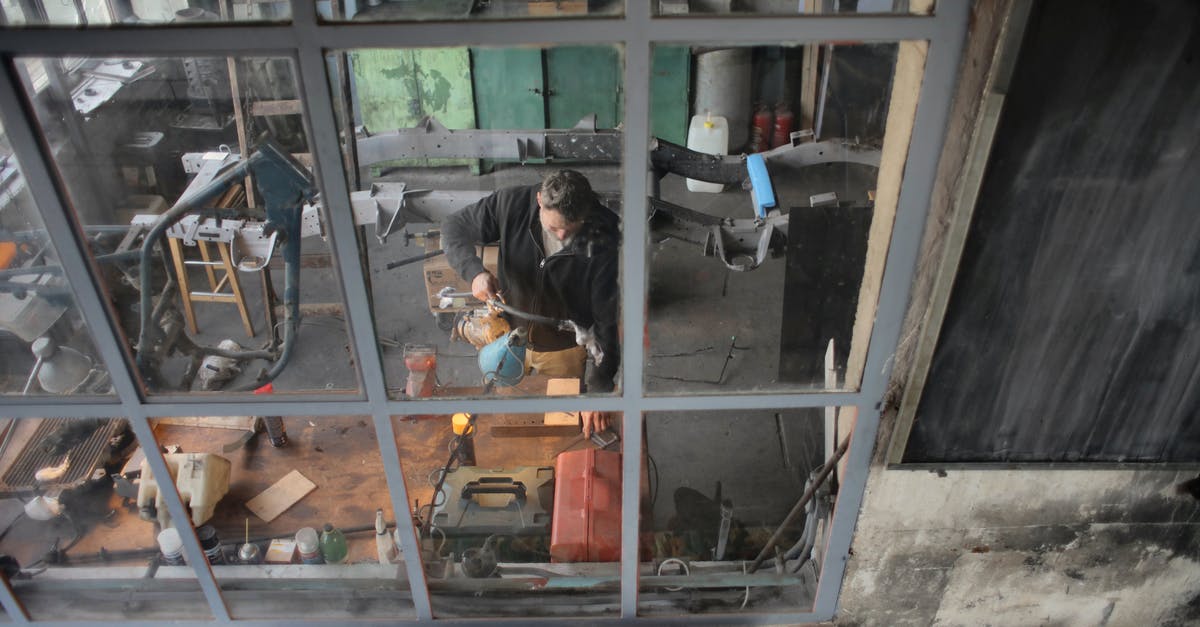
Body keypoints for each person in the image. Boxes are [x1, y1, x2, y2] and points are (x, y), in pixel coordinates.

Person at [441, 170, 620, 436]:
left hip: (563, 350)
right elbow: (453, 227)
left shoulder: (604, 234)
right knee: (502, 423)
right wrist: (474, 272)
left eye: (571, 228)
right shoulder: (511, 204)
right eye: (554, 228)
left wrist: (598, 390)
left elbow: (607, 317)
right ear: (539, 201)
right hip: (506, 337)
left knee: (560, 431)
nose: (562, 236)